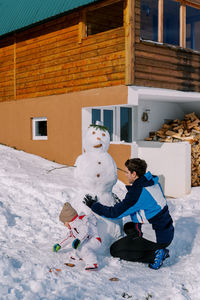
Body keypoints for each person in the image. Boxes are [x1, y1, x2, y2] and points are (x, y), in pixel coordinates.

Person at [83, 158, 174, 270]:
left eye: (127, 172)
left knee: (116, 250)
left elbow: (115, 213)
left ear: (134, 174)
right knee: (128, 227)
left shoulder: (138, 192)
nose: (125, 175)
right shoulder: (152, 182)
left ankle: (154, 255)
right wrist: (122, 205)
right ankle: (150, 245)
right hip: (166, 229)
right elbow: (140, 205)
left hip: (157, 236)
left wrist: (94, 205)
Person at [53, 202, 102, 270]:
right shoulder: (73, 228)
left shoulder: (81, 223)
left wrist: (78, 240)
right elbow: (69, 237)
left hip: (95, 239)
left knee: (84, 248)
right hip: (86, 240)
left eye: (64, 223)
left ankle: (92, 263)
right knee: (78, 245)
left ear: (69, 220)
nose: (64, 225)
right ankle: (78, 256)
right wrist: (59, 244)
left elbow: (85, 231)